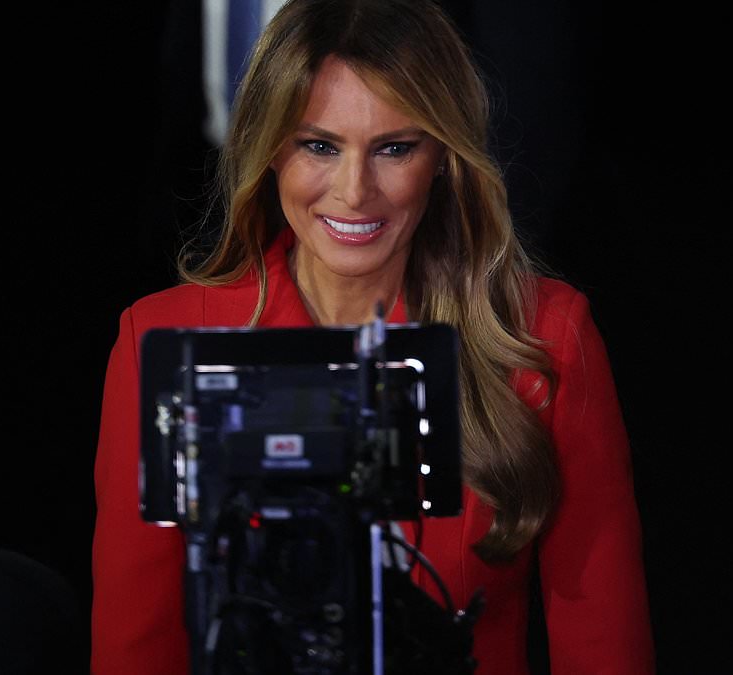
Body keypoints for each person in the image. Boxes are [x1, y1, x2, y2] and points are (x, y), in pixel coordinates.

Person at [91, 1, 653, 673]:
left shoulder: (546, 338)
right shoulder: (162, 341)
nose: (355, 192)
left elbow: (604, 647)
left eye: (394, 148)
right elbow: (137, 650)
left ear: (443, 155)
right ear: (271, 149)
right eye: (319, 145)